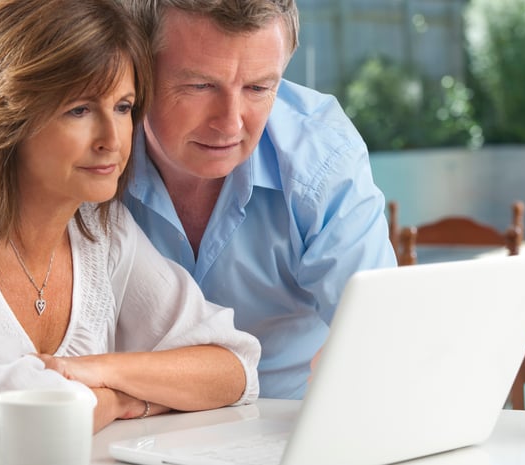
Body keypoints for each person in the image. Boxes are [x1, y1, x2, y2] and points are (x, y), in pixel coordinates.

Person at [0, 0, 260, 462]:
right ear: (9, 112)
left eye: (122, 107)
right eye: (79, 110)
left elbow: (234, 366)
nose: (113, 139)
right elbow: (2, 428)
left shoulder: (100, 231)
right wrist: (127, 398)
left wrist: (95, 369)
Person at [119, 0, 397, 400]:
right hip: (133, 429)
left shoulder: (322, 162)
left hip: (283, 430)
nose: (231, 122)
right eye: (200, 86)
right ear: (138, 69)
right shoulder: (95, 154)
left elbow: (379, 328)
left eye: (258, 88)